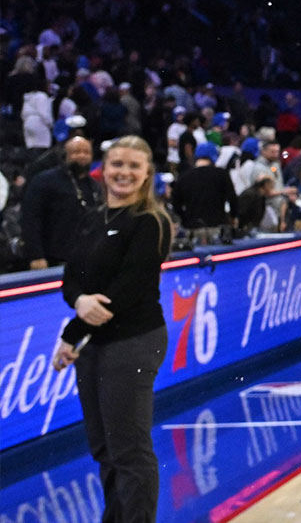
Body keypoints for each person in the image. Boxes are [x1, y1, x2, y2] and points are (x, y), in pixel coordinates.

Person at [49, 136, 173, 523]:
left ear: (147, 173)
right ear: (104, 168)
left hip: (134, 341)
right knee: (104, 449)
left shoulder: (150, 222)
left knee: (129, 451)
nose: (124, 172)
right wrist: (79, 303)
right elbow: (71, 280)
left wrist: (71, 333)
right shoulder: (91, 218)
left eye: (134, 166)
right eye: (117, 164)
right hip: (95, 343)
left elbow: (126, 292)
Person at [20, 136, 98, 268]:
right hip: (53, 258)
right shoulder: (44, 181)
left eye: (86, 152)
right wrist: (36, 255)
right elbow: (30, 219)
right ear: (65, 155)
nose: (82, 156)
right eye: (76, 152)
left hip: (87, 258)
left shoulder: (95, 186)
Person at [170, 141, 238, 245]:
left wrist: (185, 219)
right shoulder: (221, 175)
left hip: (192, 229)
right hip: (217, 228)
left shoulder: (184, 177)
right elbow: (233, 199)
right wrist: (233, 217)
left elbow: (175, 204)